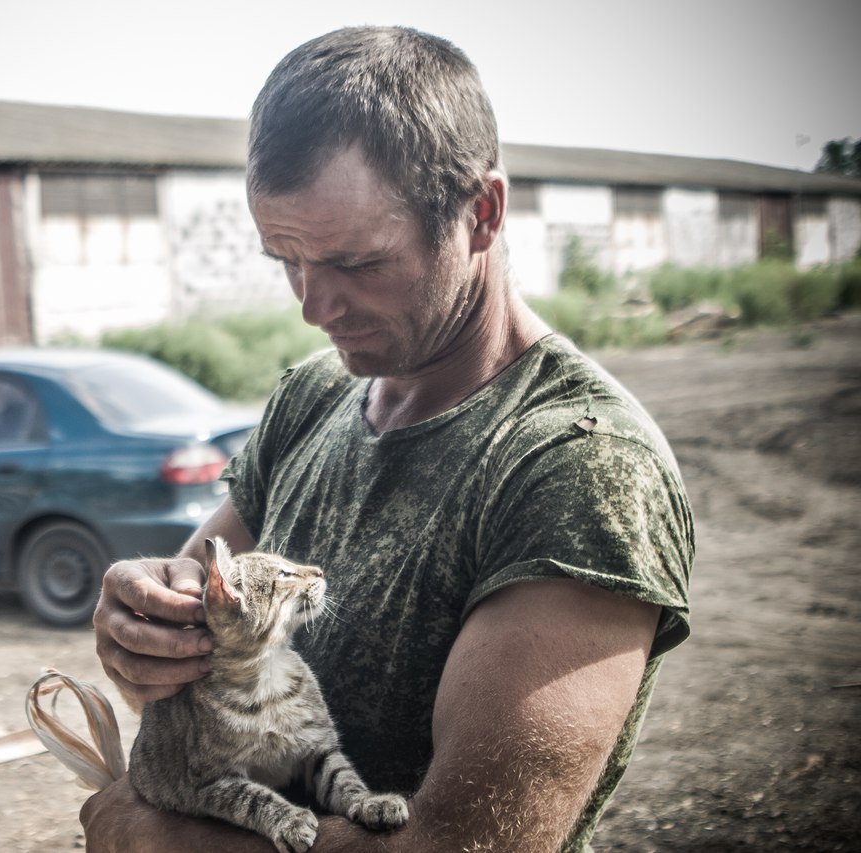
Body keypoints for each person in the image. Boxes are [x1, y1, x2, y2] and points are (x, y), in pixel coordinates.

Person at [83, 25, 693, 853]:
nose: (312, 304)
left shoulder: (579, 465)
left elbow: (457, 846)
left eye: (357, 263)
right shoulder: (314, 394)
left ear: (482, 212)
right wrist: (139, 623)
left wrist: (151, 835)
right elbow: (196, 639)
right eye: (286, 260)